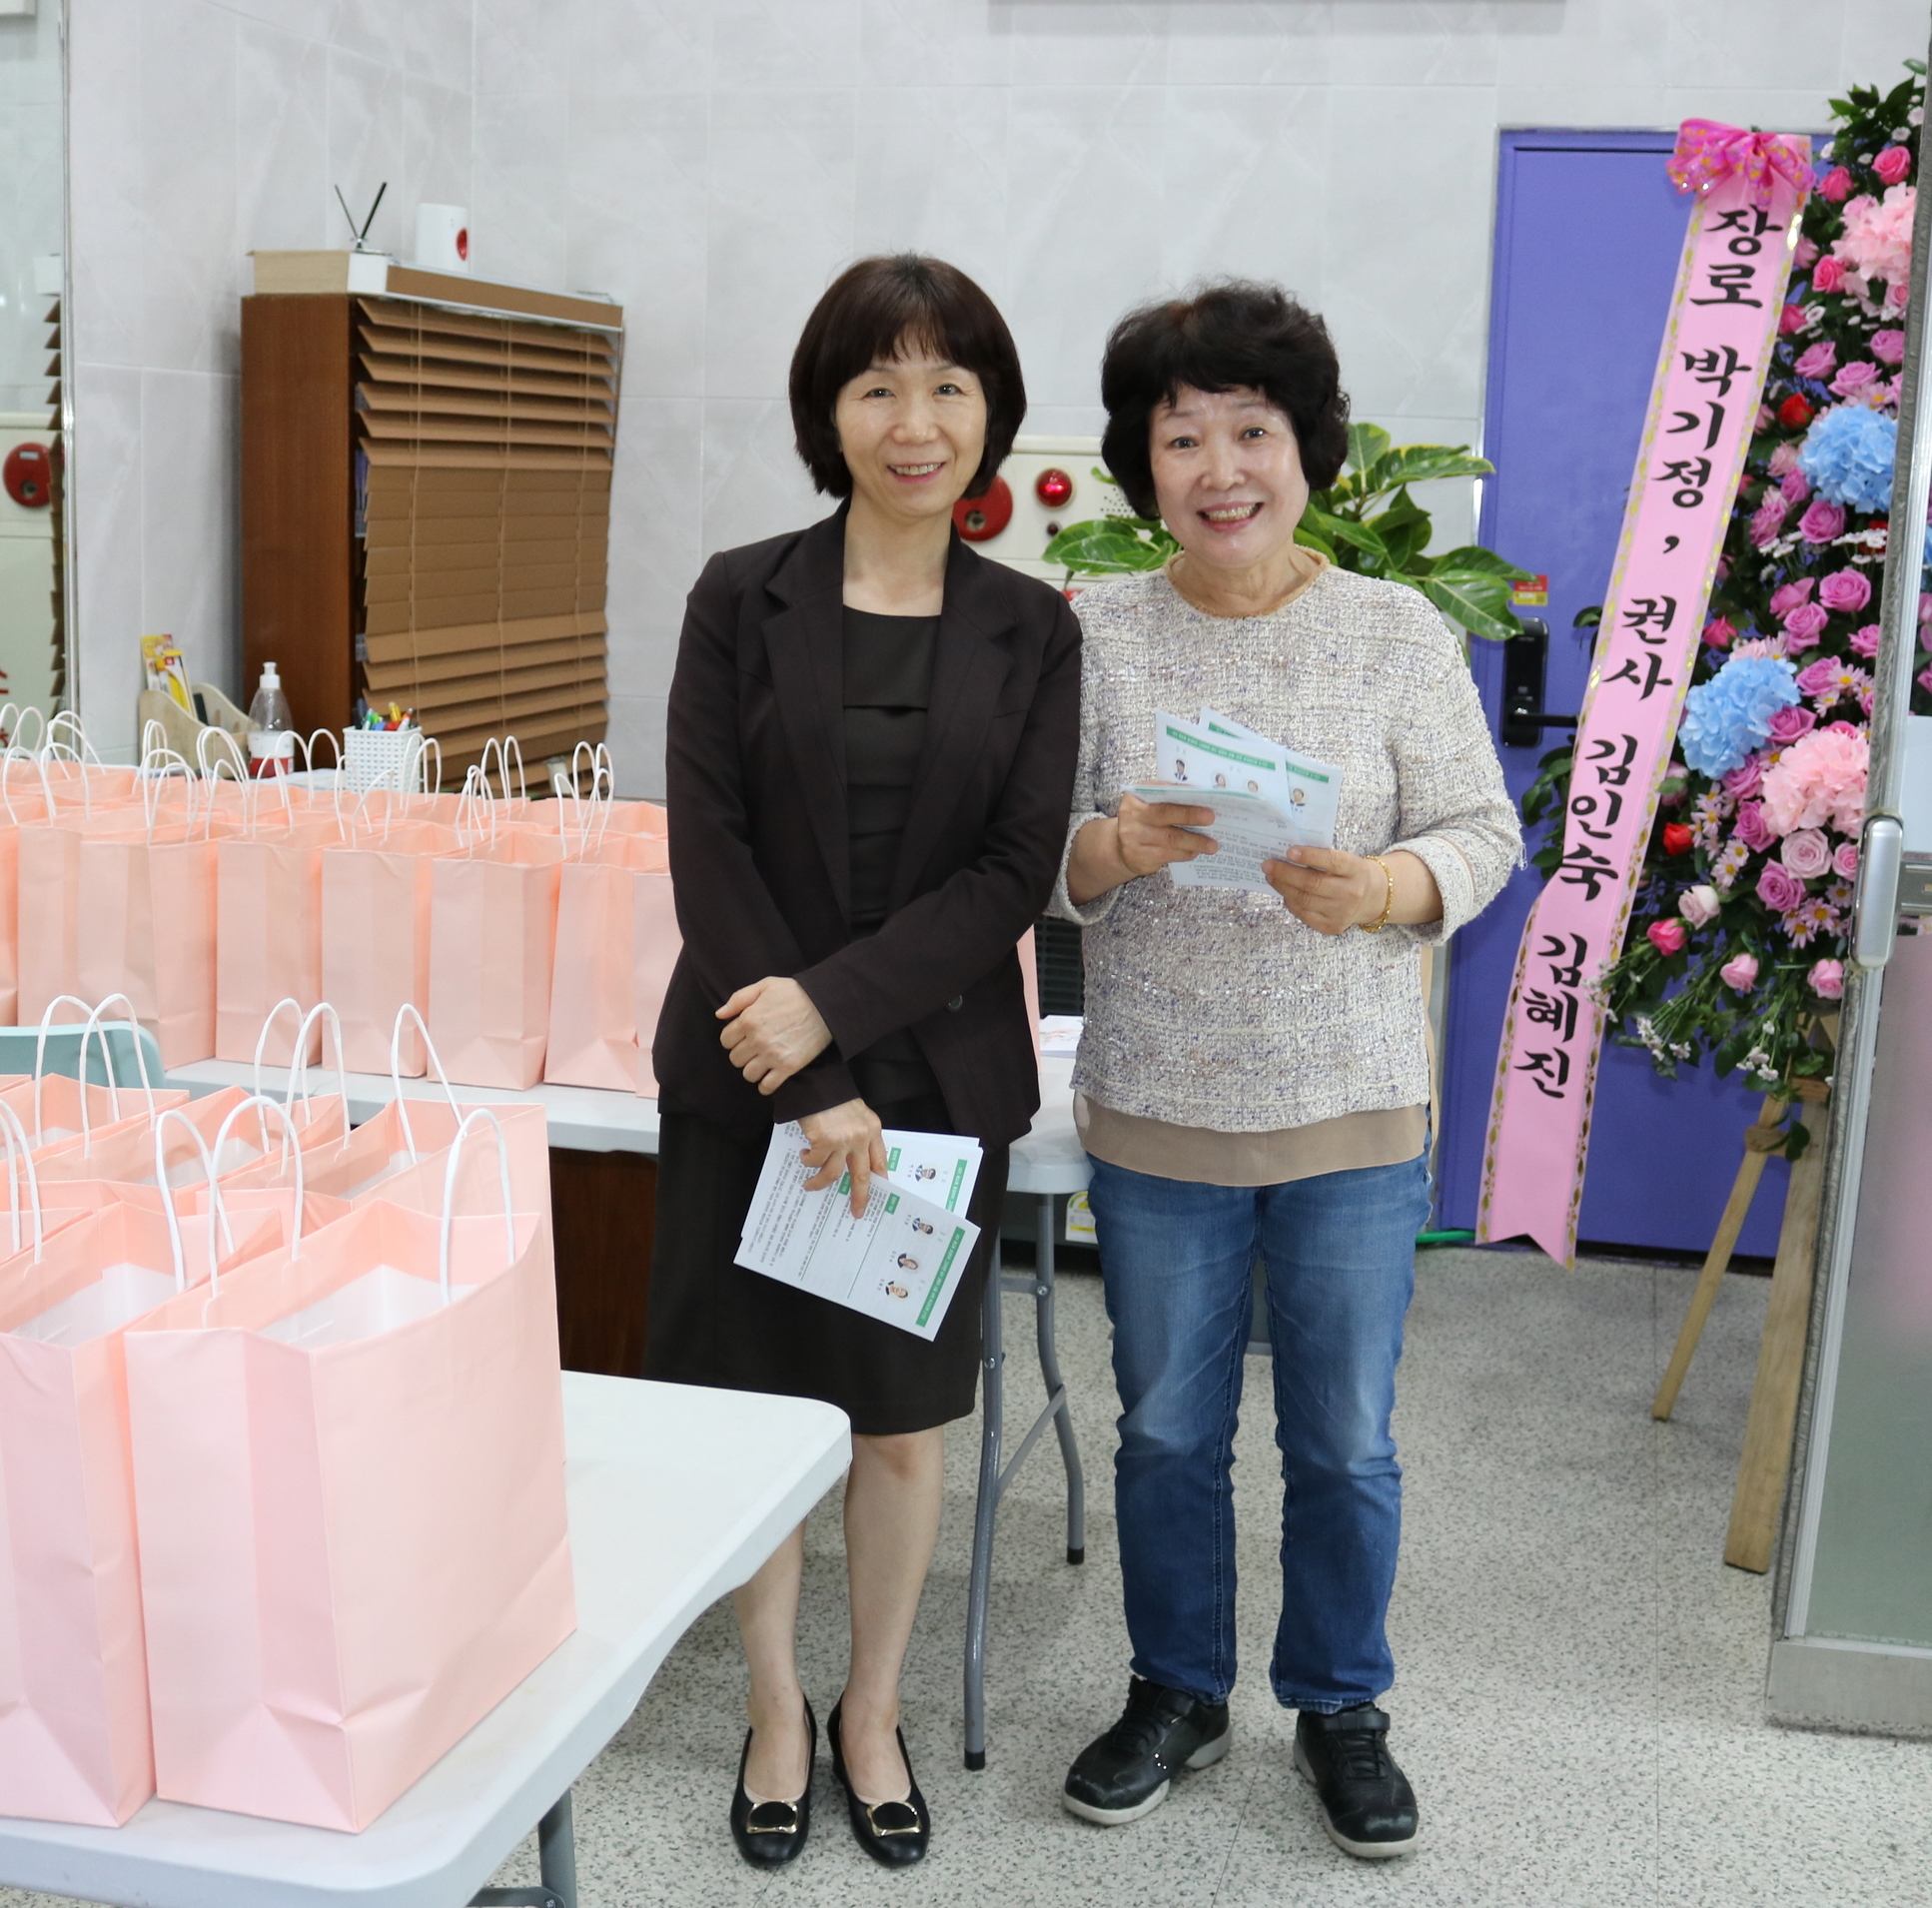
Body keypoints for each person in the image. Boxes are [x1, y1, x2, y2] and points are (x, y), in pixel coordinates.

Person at [1051, 282, 1518, 1859]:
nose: (1219, 468)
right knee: (1166, 1432)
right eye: (1181, 436)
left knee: (1343, 1440)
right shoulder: (1094, 630)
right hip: (1160, 1107)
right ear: (1144, 465)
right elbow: (1028, 853)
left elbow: (1480, 830)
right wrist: (1111, 846)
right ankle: (1176, 1688)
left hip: (1351, 1113)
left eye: (1249, 430)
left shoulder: (1394, 632)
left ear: (1306, 446)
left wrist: (1385, 886)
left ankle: (1339, 1703)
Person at [644, 254, 1081, 1872]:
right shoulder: (736, 594)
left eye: (948, 386)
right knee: (757, 1414)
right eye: (877, 385)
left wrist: (830, 1016)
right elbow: (707, 842)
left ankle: (870, 1705)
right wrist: (801, 1065)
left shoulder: (1032, 628)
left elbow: (1012, 870)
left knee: (899, 1425)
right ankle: (773, 1704)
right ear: (826, 414)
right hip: (747, 1073)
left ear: (991, 415)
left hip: (931, 1088)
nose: (915, 421)